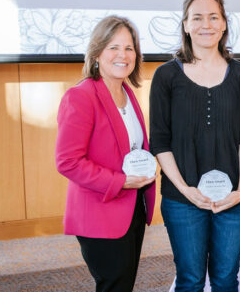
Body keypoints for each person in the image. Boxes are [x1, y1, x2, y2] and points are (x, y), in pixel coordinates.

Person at [149, 0, 240, 291]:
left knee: (225, 279)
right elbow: (159, 140)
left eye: (213, 17)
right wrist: (185, 189)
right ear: (185, 24)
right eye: (197, 17)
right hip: (182, 198)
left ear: (224, 24)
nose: (205, 24)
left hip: (235, 197)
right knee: (190, 279)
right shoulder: (165, 76)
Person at [55, 15, 156, 292]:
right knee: (114, 284)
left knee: (123, 284)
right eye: (114, 47)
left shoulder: (127, 93)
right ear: (97, 52)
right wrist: (120, 181)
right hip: (99, 211)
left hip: (132, 207)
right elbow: (68, 162)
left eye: (129, 48)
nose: (122, 55)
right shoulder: (81, 96)